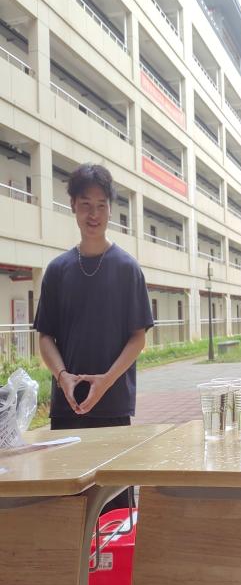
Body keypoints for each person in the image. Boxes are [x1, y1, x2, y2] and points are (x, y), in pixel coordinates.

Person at [34, 163, 153, 512]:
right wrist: (63, 377)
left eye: (101, 205)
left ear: (110, 210)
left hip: (113, 406)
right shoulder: (57, 271)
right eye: (86, 204)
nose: (94, 214)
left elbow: (138, 338)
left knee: (114, 511)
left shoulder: (127, 268)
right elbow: (45, 337)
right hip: (67, 406)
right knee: (67, 508)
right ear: (73, 206)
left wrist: (105, 382)